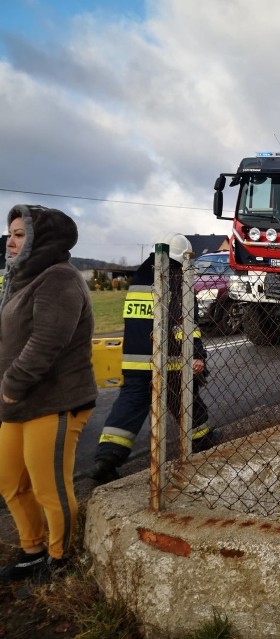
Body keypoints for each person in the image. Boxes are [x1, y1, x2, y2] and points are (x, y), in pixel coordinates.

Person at [0, 205, 98, 585]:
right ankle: (32, 550)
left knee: (49, 487)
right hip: (20, 403)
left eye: (20, 234)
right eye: (10, 233)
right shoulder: (23, 279)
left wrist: (11, 385)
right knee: (11, 481)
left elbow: (46, 342)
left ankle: (62, 559)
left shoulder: (59, 279)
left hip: (56, 401)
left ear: (43, 239)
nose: (10, 240)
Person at [89, 233, 215, 483]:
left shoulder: (141, 275)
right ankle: (202, 441)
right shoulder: (175, 278)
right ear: (183, 261)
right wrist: (197, 353)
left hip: (135, 359)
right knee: (184, 399)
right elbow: (185, 324)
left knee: (129, 406)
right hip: (169, 358)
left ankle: (107, 458)